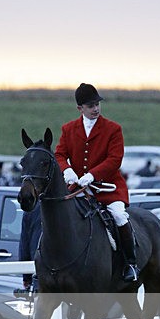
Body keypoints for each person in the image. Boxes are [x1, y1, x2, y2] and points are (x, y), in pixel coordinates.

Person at [54, 82, 138, 282]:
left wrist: (93, 174)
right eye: (90, 106)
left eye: (97, 104)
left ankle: (131, 263)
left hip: (107, 188)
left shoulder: (113, 129)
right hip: (78, 188)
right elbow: (59, 154)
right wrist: (67, 171)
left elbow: (115, 159)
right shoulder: (68, 129)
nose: (96, 109)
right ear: (80, 108)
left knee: (118, 216)